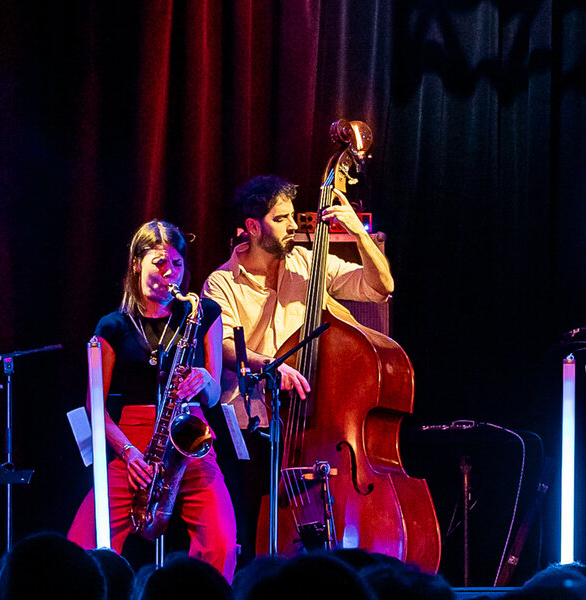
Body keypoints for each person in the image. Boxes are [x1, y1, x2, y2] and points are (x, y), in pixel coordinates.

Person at [199, 175, 393, 564]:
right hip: (252, 422)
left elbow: (380, 287)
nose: (294, 226)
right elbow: (221, 347)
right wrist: (271, 366)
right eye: (282, 218)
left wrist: (357, 231)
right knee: (251, 523)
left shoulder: (308, 263)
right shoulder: (220, 283)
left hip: (311, 418)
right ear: (253, 227)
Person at [68, 220, 236, 579]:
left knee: (221, 541)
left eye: (177, 264)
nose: (169, 273)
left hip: (189, 439)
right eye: (159, 263)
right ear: (136, 264)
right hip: (132, 443)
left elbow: (212, 396)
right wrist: (128, 454)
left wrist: (205, 378)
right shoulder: (113, 325)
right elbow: (93, 406)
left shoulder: (203, 313)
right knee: (82, 543)